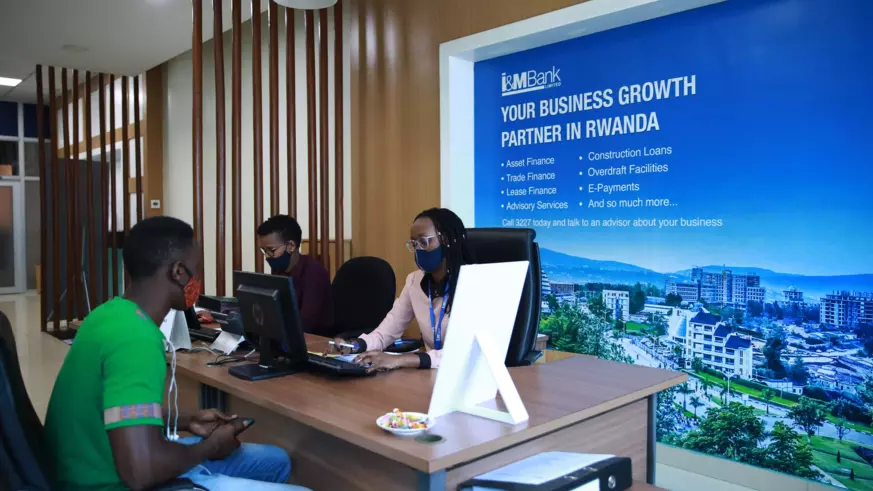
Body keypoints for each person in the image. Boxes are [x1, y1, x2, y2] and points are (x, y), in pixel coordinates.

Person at [44, 216, 309, 491]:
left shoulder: (109, 314)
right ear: (179, 272)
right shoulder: (136, 339)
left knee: (276, 460)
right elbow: (142, 472)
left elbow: (111, 410)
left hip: (87, 466)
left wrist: (185, 420)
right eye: (197, 270)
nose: (198, 279)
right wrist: (210, 447)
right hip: (109, 483)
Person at [334, 208, 473, 371]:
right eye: (414, 244)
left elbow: (463, 353)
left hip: (468, 376)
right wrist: (357, 345)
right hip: (431, 377)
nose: (419, 249)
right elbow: (386, 332)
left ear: (447, 240)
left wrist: (399, 360)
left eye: (424, 242)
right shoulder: (415, 281)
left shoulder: (475, 284)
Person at [256, 215, 335, 337]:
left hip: (316, 341)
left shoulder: (314, 272)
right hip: (288, 338)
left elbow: (306, 323)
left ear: (291, 246)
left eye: (271, 250)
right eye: (264, 251)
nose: (267, 256)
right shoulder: (279, 269)